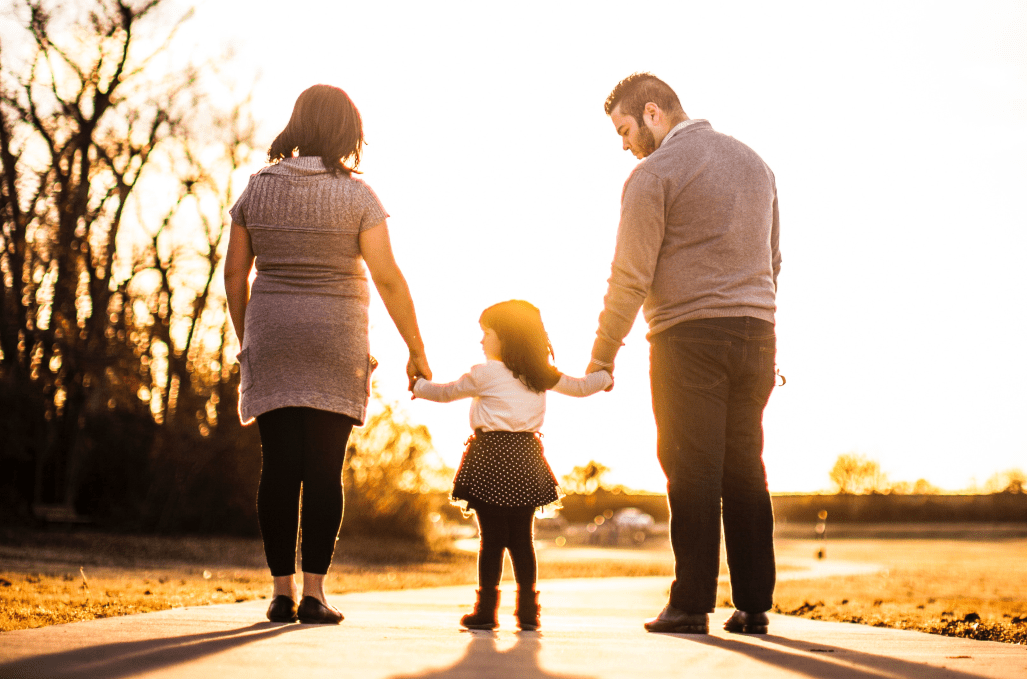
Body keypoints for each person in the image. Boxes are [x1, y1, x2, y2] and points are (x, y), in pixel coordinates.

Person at [223, 84, 431, 625]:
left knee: (278, 468)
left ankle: (280, 592)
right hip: (336, 341)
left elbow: (234, 274)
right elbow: (387, 278)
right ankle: (315, 594)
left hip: (272, 336)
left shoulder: (256, 188)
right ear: (346, 132)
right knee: (323, 471)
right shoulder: (359, 196)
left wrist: (250, 339)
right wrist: (415, 347)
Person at [586, 73, 781, 635]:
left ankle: (691, 604)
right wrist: (758, 317)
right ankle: (753, 605)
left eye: (624, 130)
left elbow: (630, 277)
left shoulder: (654, 174)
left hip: (687, 338)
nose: (624, 144)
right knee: (745, 467)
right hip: (756, 334)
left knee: (691, 469)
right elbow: (773, 259)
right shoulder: (756, 164)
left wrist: (602, 357)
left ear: (652, 113)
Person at [411, 300, 612, 630]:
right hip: (526, 459)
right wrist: (604, 377)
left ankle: (486, 610)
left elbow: (445, 393)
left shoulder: (486, 373)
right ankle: (528, 611)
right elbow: (580, 387)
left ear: (504, 336)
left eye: (485, 333)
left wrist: (417, 385)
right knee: (522, 540)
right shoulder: (538, 374)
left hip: (490, 458)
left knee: (491, 540)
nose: (481, 341)